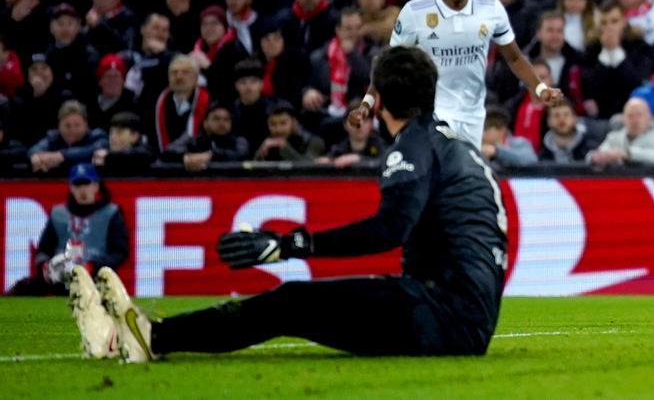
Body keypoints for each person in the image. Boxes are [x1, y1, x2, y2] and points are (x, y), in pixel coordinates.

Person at [70, 46, 509, 361]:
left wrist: (290, 245)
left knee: (292, 303)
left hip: (442, 317)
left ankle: (151, 337)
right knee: (298, 303)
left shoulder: (412, 147)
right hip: (459, 315)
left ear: (379, 99)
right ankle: (144, 334)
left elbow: (388, 229)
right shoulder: (458, 146)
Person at [350, 0, 564, 148]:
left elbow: (515, 58)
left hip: (472, 116)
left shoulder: (490, 8)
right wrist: (366, 105)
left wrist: (540, 89)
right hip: (429, 113)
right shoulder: (415, 12)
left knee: (461, 182)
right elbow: (388, 64)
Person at [10, 164, 128, 301]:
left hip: (95, 277)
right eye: (77, 185)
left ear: (96, 186)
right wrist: (45, 266)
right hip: (61, 277)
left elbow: (120, 252)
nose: (82, 190)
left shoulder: (111, 213)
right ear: (71, 188)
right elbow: (42, 250)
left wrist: (94, 265)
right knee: (21, 289)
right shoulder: (58, 214)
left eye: (86, 184)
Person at [589, 96, 654, 165]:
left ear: (649, 117)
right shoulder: (614, 137)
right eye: (630, 116)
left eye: (639, 115)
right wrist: (596, 157)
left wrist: (629, 154)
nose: (635, 120)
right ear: (623, 119)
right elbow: (597, 154)